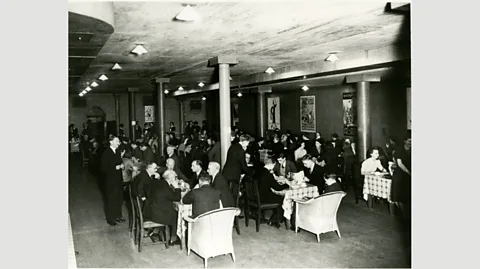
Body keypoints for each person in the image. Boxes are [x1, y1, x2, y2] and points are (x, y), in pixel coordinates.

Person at [143, 170, 182, 245]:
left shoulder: (159, 183)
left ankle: (155, 231)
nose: (176, 179)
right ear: (171, 178)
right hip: (156, 215)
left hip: (150, 211)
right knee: (176, 214)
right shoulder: (166, 188)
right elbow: (177, 198)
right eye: (175, 177)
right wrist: (177, 188)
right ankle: (173, 239)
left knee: (169, 210)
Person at [100, 135, 125, 226]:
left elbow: (119, 162)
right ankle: (111, 219)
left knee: (119, 198)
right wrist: (115, 167)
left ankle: (118, 216)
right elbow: (103, 168)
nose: (119, 143)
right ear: (111, 142)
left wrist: (122, 166)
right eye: (117, 141)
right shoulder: (106, 153)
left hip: (118, 179)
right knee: (111, 199)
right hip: (110, 180)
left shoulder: (117, 151)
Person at [391, 134, 411, 218]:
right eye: (409, 141)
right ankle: (404, 214)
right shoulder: (399, 150)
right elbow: (399, 164)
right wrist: (408, 172)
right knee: (399, 196)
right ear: (405, 141)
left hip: (408, 174)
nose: (411, 143)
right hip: (400, 175)